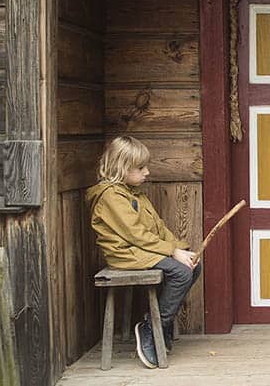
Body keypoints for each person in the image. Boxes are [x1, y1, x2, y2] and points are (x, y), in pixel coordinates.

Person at [86, 136, 201, 368]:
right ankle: (152, 326)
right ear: (122, 168)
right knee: (181, 273)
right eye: (141, 168)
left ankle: (161, 322)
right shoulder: (111, 197)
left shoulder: (135, 193)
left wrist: (180, 249)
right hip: (126, 253)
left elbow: (158, 228)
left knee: (192, 267)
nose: (147, 172)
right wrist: (172, 252)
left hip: (142, 250)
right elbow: (135, 234)